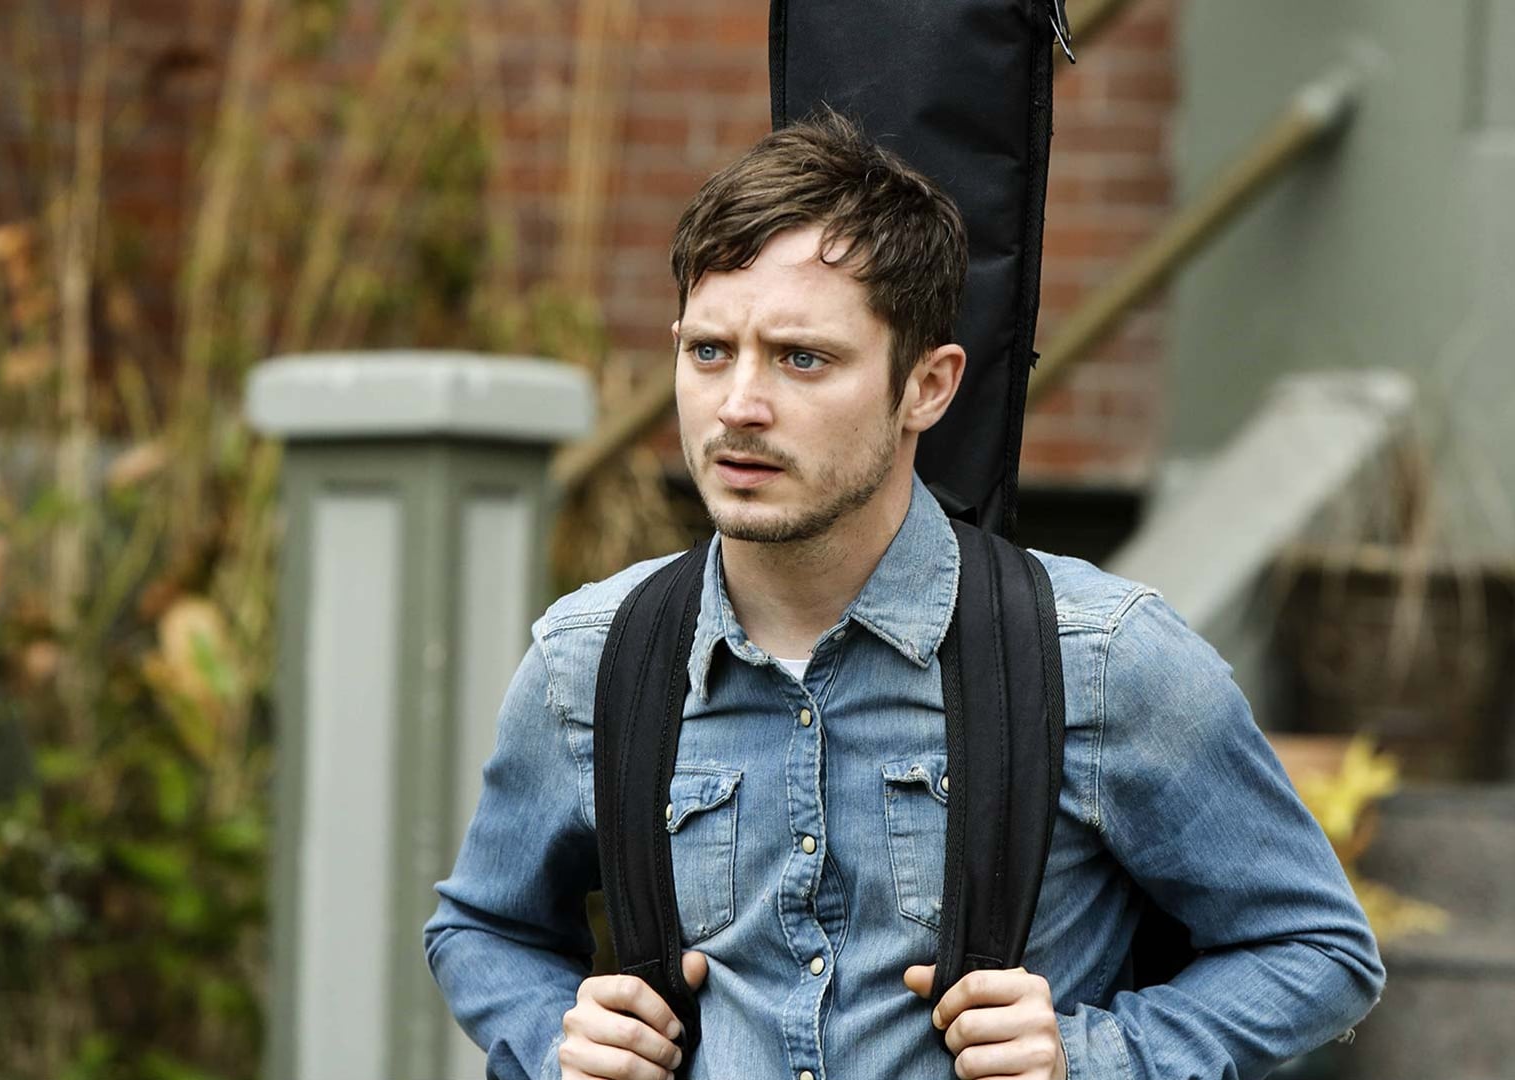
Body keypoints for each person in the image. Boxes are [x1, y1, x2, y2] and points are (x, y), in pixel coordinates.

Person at [424, 109, 1385, 1080]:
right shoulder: (591, 659)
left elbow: (1317, 950)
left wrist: (1092, 1058)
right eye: (709, 351)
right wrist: (559, 1042)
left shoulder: (1100, 659)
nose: (739, 406)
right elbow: (482, 927)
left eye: (802, 358)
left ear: (927, 386)